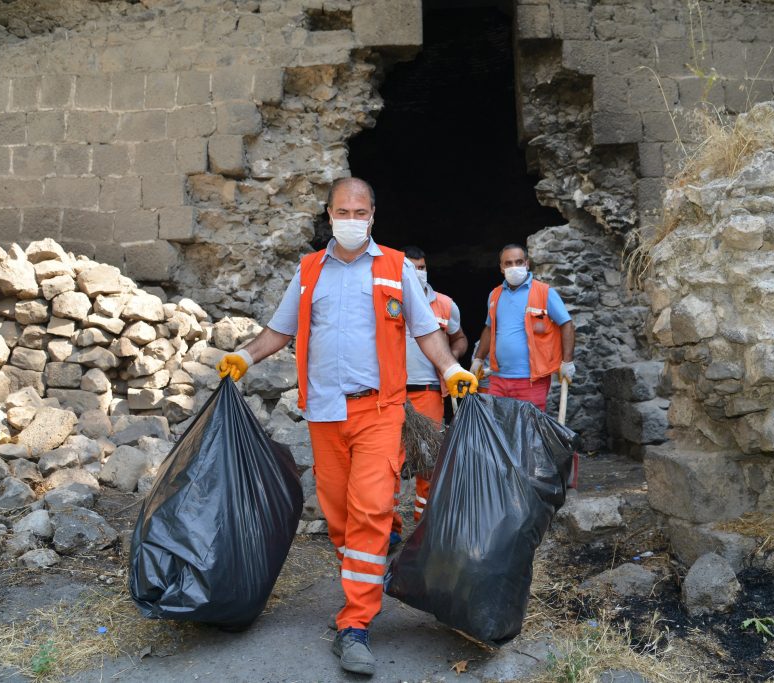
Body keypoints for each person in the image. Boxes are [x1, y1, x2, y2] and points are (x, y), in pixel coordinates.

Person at [215, 177, 478, 677]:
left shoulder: (396, 266)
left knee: (374, 508)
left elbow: (427, 330)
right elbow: (280, 329)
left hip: (379, 411)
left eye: (360, 211)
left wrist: (451, 371)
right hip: (324, 413)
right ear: (329, 213)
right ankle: (369, 572)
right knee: (338, 516)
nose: (351, 219)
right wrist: (244, 356)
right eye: (342, 210)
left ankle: (355, 621)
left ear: (373, 215)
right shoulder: (310, 270)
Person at [392, 246, 467, 530]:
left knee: (429, 457)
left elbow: (459, 338)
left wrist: (452, 361)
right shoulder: (387, 301)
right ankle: (390, 527)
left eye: (422, 267)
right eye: (411, 268)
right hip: (391, 393)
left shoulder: (445, 304)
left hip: (429, 391)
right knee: (389, 461)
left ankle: (426, 524)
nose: (418, 273)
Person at [470, 243, 575, 412]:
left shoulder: (544, 292)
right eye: (508, 263)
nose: (514, 267)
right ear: (501, 268)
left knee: (528, 432)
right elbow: (489, 329)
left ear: (527, 264)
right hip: (498, 378)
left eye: (519, 262)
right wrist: (478, 359)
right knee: (498, 431)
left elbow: (566, 324)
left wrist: (567, 362)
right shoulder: (495, 295)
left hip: (532, 381)